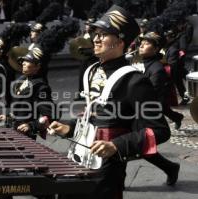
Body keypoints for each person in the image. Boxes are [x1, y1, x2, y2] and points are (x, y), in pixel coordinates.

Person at [49, 5, 173, 199]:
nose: (96, 38)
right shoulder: (93, 72)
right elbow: (98, 118)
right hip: (79, 156)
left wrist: (116, 145)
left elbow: (160, 131)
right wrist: (70, 127)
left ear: (120, 41)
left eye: (104, 34)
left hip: (106, 172)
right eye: (95, 33)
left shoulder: (134, 81)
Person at [0, 47, 55, 140]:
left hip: (25, 135)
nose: (23, 63)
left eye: (28, 61)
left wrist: (32, 126)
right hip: (12, 129)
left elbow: (49, 115)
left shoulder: (40, 87)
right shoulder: (21, 81)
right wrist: (8, 116)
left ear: (37, 66)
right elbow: (19, 108)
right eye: (23, 60)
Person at [139, 31, 184, 130]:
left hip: (155, 98)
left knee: (161, 108)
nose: (141, 46)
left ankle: (175, 118)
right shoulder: (145, 63)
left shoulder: (157, 69)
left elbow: (152, 92)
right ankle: (177, 117)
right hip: (152, 101)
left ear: (156, 49)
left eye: (146, 44)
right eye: (141, 44)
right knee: (164, 109)